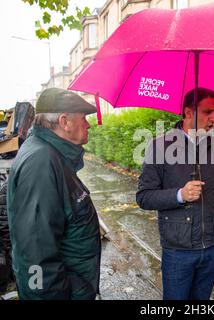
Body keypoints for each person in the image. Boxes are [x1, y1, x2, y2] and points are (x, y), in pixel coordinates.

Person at [136, 87, 214, 300]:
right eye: (207, 112)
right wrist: (180, 194)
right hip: (177, 252)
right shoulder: (159, 147)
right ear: (188, 113)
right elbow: (144, 197)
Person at [7, 88, 101, 300]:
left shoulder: (49, 155)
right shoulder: (42, 164)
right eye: (84, 118)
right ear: (64, 121)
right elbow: (35, 256)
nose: (88, 124)